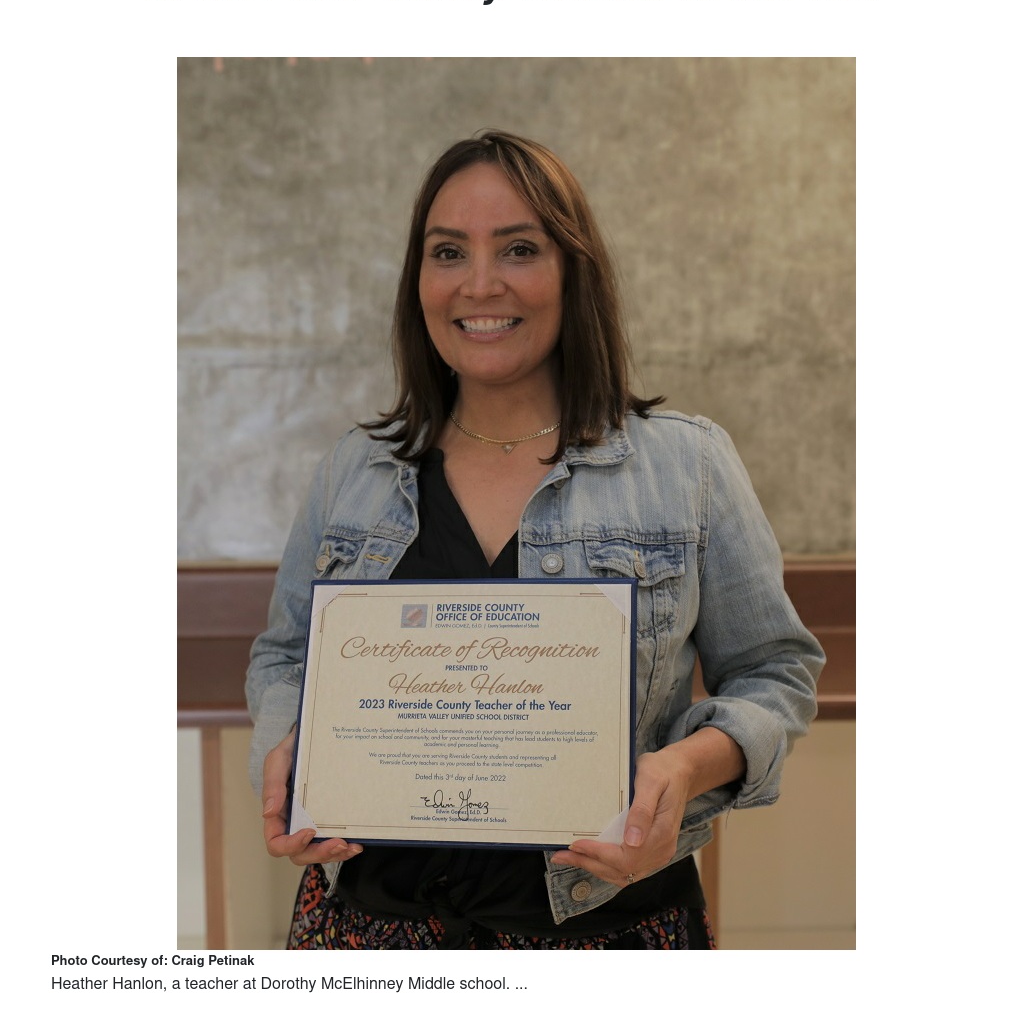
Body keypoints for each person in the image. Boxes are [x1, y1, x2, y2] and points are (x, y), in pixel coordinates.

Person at [246, 130, 825, 950]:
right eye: (449, 251)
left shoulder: (687, 465)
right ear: (419, 279)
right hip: (369, 936)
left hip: (610, 934)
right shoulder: (355, 469)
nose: (480, 283)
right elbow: (284, 655)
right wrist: (285, 745)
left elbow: (776, 671)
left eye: (519, 248)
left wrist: (685, 767)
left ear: (573, 271)